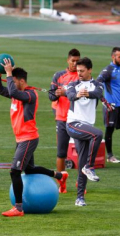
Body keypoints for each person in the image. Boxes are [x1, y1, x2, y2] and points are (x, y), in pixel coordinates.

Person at [0, 58, 68, 217]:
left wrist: (8, 73)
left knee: (15, 171)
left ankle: (18, 208)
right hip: (21, 138)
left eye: (12, 81)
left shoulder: (30, 95)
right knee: (29, 169)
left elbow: (12, 91)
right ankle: (60, 176)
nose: (10, 84)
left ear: (21, 81)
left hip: (28, 138)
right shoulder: (17, 93)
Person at [66, 57, 105, 206]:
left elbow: (97, 94)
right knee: (98, 134)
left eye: (82, 71)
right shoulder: (72, 84)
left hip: (86, 127)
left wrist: (86, 93)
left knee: (81, 161)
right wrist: (77, 95)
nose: (79, 74)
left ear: (90, 70)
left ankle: (80, 198)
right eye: (77, 71)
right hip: (73, 124)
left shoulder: (98, 85)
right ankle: (89, 167)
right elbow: (69, 95)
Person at [48, 48, 80, 193]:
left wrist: (66, 92)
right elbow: (51, 96)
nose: (75, 63)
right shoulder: (59, 76)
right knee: (61, 152)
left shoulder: (82, 77)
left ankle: (81, 183)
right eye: (73, 61)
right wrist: (56, 94)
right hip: (62, 118)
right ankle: (61, 183)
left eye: (77, 61)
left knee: (81, 152)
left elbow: (82, 95)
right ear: (67, 60)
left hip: (78, 118)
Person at [97, 47, 120, 163]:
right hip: (112, 106)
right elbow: (97, 83)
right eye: (119, 57)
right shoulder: (108, 70)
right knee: (110, 130)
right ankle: (110, 155)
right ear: (113, 57)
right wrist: (103, 99)